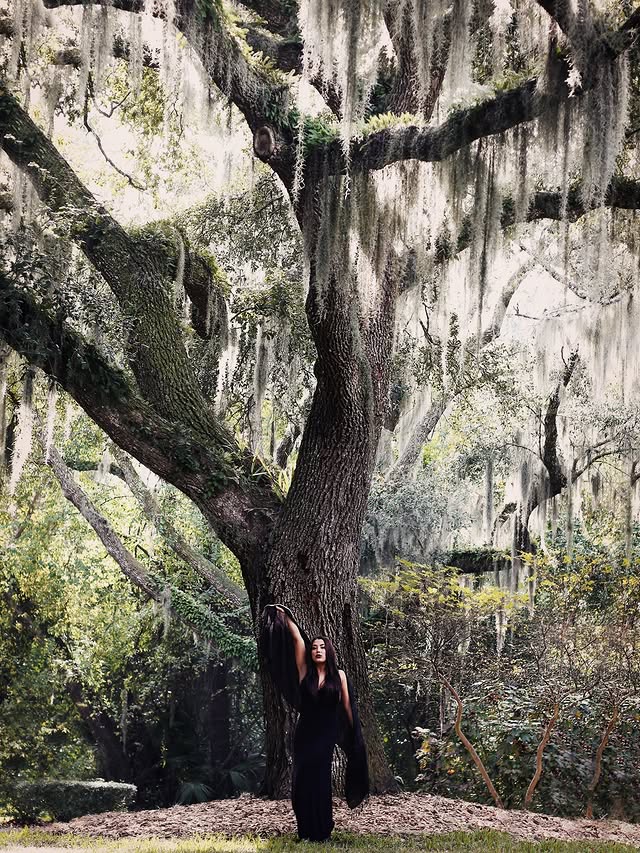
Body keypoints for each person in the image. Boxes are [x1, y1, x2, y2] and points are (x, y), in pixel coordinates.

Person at [261, 604, 368, 842]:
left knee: (320, 782)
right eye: (315, 648)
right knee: (301, 781)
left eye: (322, 647)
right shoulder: (304, 672)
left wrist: (353, 738)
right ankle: (305, 831)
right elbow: (298, 638)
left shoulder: (338, 676)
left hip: (326, 735)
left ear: (328, 652)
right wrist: (286, 616)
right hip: (305, 733)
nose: (317, 650)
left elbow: (349, 709)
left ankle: (323, 831)